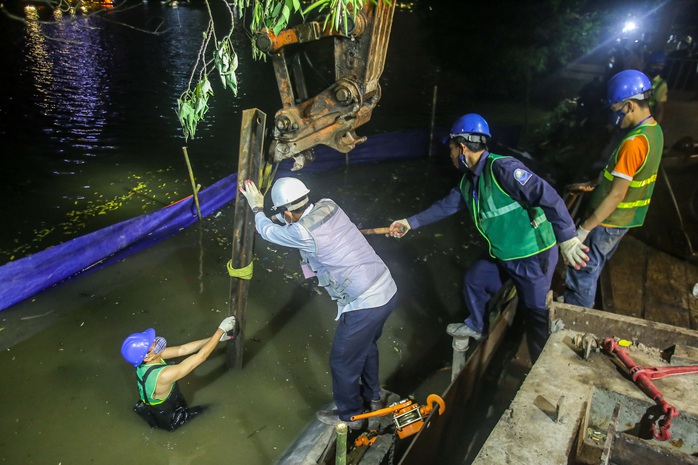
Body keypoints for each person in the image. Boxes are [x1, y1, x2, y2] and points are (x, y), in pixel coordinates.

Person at [387, 114, 588, 363]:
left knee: (535, 317)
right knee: (475, 280)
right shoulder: (468, 181)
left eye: (450, 148)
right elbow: (445, 207)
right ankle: (477, 326)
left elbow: (547, 196)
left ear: (462, 147)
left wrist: (567, 238)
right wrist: (410, 223)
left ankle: (542, 367)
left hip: (532, 255)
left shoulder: (502, 169)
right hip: (503, 254)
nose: (449, 155)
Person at [238, 177, 397, 430]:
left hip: (365, 302)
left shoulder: (302, 233)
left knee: (341, 361)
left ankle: (350, 416)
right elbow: (288, 222)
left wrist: (257, 207)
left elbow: (268, 232)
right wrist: (279, 215)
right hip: (386, 287)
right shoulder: (329, 205)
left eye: (285, 213)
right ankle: (373, 396)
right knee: (366, 346)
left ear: (289, 211)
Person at [564, 69, 664, 309]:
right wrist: (599, 183)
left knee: (582, 270)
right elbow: (628, 179)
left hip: (608, 221)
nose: (615, 118)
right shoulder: (654, 131)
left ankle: (576, 317)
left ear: (629, 105)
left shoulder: (633, 143)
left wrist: (583, 230)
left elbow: (617, 194)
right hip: (625, 220)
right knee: (594, 265)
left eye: (616, 110)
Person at [120, 316, 237, 431]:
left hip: (153, 404)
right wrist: (220, 330)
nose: (155, 340)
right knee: (211, 409)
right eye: (151, 343)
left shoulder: (144, 361)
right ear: (147, 357)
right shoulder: (164, 375)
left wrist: (214, 339)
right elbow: (200, 357)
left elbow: (183, 349)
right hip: (169, 417)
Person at [646, 50, 668, 123]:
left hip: (646, 118)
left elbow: (659, 108)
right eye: (655, 64)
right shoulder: (640, 78)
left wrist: (656, 128)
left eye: (661, 65)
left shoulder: (661, 84)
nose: (658, 68)